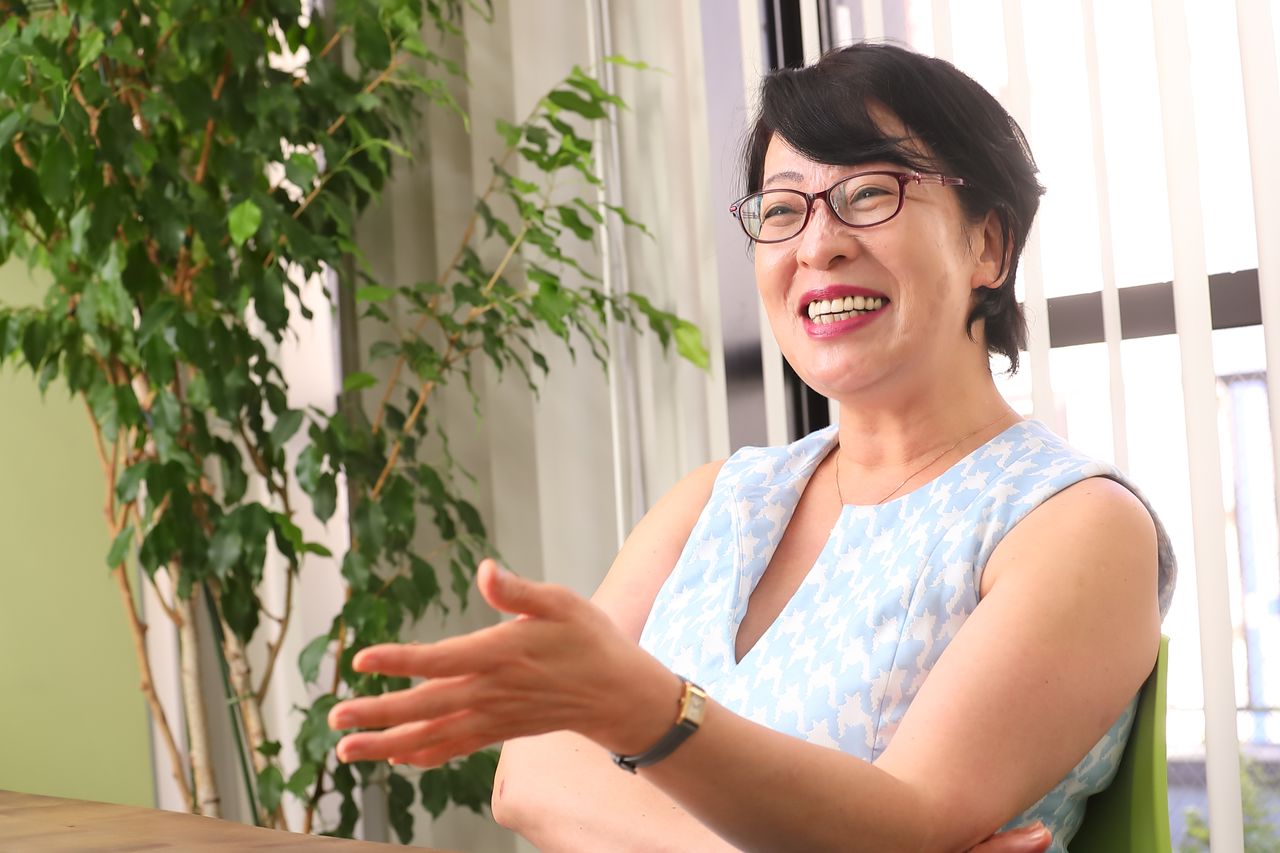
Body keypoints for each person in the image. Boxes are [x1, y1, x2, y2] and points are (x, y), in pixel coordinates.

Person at [327, 43, 1176, 852]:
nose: (817, 244)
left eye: (869, 194)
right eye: (782, 209)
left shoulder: (1075, 527)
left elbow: (904, 820)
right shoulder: (717, 500)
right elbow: (529, 774)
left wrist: (649, 715)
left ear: (987, 244)